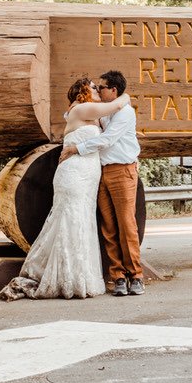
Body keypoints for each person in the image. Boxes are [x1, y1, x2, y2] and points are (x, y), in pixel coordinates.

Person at [0, 77, 131, 301]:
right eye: (93, 88)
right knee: (72, 221)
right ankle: (68, 277)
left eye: (100, 87)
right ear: (84, 92)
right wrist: (125, 94)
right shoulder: (82, 109)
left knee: (79, 221)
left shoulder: (81, 112)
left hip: (86, 174)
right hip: (75, 174)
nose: (97, 90)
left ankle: (77, 274)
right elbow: (117, 105)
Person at [70, 68, 144, 298]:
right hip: (100, 172)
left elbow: (108, 139)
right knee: (108, 226)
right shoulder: (103, 111)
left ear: (113, 90)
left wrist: (78, 149)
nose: (99, 90)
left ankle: (136, 275)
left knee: (126, 224)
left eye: (102, 87)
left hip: (122, 170)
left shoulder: (125, 113)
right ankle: (118, 276)